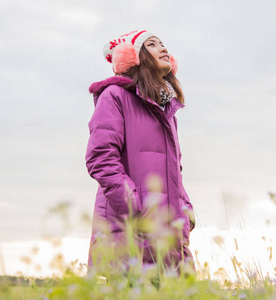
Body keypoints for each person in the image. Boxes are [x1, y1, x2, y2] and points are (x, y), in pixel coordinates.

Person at [86, 30, 195, 271]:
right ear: (134, 57)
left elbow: (175, 169)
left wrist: (185, 210)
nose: (164, 49)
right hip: (127, 230)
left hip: (169, 237)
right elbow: (101, 157)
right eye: (153, 45)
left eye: (164, 44)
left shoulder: (167, 110)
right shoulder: (114, 96)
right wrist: (133, 206)